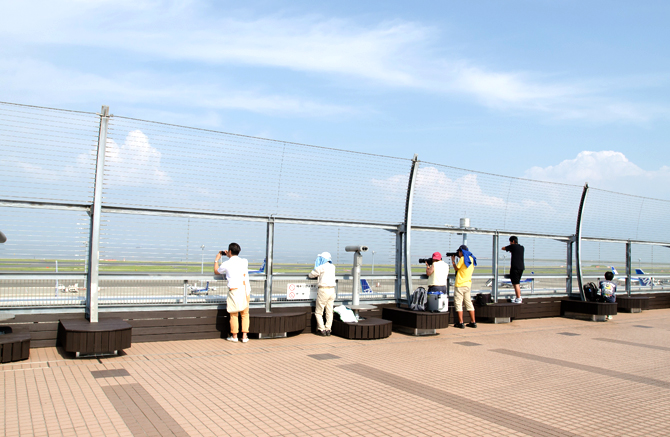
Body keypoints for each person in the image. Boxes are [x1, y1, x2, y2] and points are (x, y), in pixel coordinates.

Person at [215, 243, 252, 343]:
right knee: (245, 314)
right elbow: (236, 260)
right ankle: (244, 336)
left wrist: (217, 259)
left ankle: (234, 336)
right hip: (245, 290)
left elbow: (216, 271)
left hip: (234, 291)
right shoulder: (244, 261)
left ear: (229, 251)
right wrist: (230, 255)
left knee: (234, 314)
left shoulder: (226, 264)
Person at [309, 252, 336, 336]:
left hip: (323, 290)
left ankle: (321, 329)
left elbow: (311, 274)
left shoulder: (321, 267)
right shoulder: (333, 267)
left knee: (319, 312)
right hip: (332, 290)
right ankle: (328, 329)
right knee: (329, 311)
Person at [451, 245, 477, 328]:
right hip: (468, 284)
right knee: (469, 303)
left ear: (461, 251)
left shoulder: (462, 259)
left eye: (459, 252)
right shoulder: (472, 259)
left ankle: (461, 322)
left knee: (458, 303)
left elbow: (456, 268)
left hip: (460, 284)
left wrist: (453, 261)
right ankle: (473, 322)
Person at [502, 236, 525, 303]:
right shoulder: (522, 247)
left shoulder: (513, 246)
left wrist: (510, 248)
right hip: (521, 267)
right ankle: (517, 297)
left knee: (516, 284)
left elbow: (503, 248)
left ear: (513, 241)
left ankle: (518, 298)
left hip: (515, 268)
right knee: (517, 283)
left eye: (510, 242)